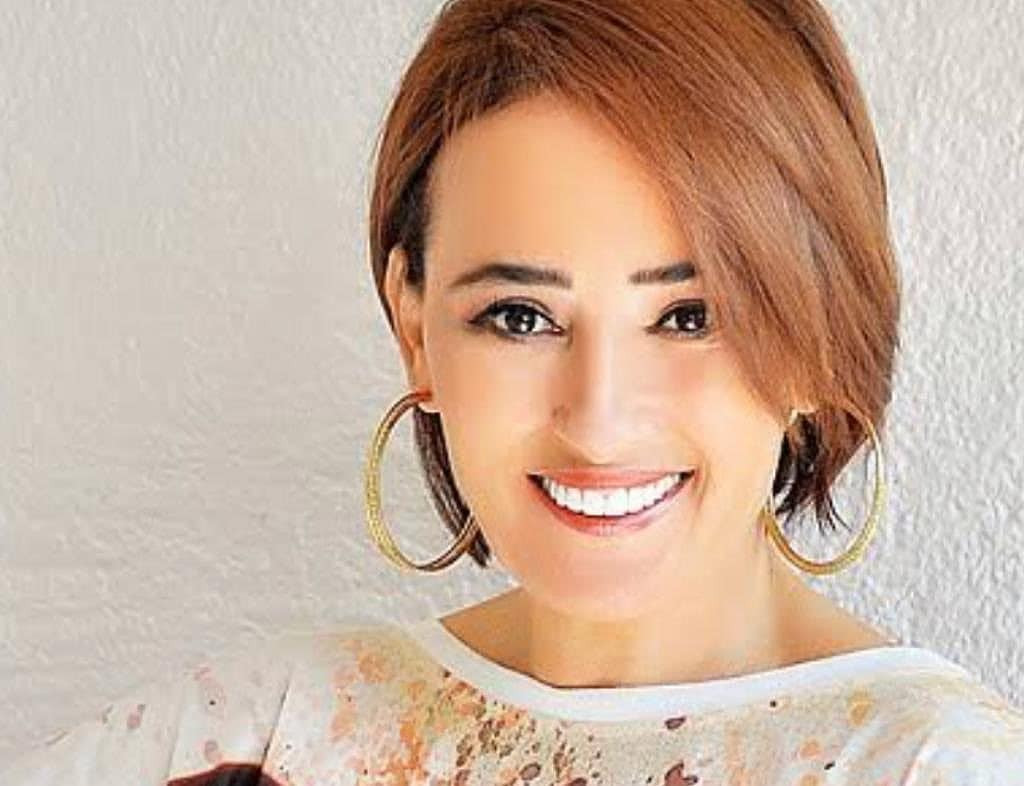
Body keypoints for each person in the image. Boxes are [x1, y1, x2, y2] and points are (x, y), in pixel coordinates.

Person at [5, 0, 1024, 783]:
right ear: (415, 328)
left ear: (816, 334)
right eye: (520, 316)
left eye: (690, 316)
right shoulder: (261, 736)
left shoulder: (932, 765)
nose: (599, 418)